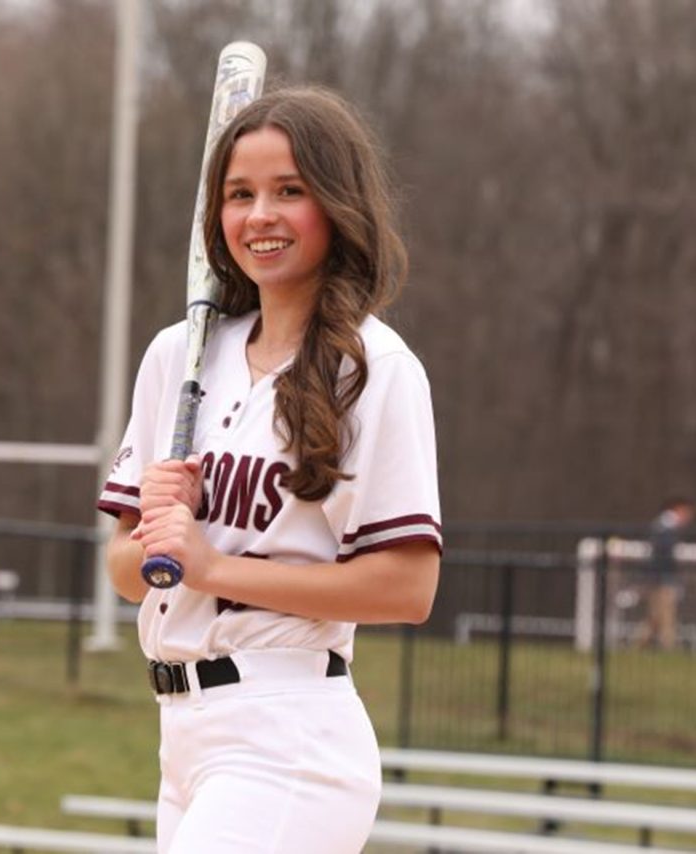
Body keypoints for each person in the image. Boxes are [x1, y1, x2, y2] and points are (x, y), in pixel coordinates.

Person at [98, 87, 441, 854]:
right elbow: (126, 574)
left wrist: (213, 566)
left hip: (289, 734)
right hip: (181, 736)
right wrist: (156, 532)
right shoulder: (180, 355)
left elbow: (409, 588)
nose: (261, 216)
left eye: (290, 191)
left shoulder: (375, 367)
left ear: (338, 204)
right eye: (239, 194)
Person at [640, 497, 694, 650]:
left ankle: (639, 645)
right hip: (662, 578)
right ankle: (669, 646)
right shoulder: (665, 528)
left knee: (655, 616)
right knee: (666, 615)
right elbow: (663, 555)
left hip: (659, 577)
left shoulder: (663, 526)